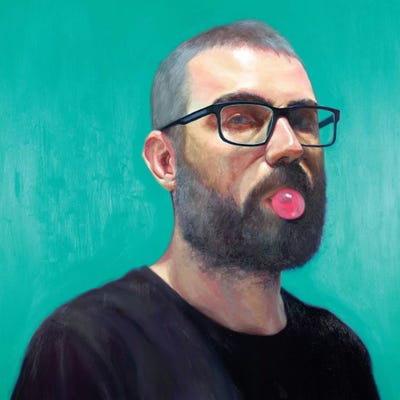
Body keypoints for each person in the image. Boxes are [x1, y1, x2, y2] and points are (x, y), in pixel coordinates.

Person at [12, 20, 379, 399]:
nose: (290, 146)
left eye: (303, 121)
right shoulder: (85, 349)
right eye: (240, 119)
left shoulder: (340, 354)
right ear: (165, 161)